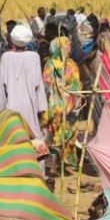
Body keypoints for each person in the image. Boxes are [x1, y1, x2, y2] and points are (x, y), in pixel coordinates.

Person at [0, 24, 49, 140]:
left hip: (11, 105)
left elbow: (0, 88)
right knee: (30, 136)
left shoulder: (6, 57)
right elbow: (38, 85)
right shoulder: (34, 57)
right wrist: (42, 107)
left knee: (12, 136)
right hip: (29, 105)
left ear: (13, 40)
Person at [42, 36, 81, 168]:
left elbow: (46, 84)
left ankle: (54, 164)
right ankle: (64, 162)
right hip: (68, 106)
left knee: (53, 133)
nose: (69, 48)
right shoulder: (72, 65)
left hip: (54, 105)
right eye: (66, 45)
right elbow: (76, 87)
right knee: (66, 132)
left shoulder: (50, 63)